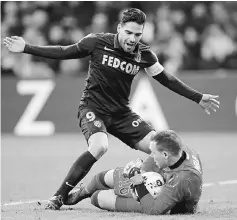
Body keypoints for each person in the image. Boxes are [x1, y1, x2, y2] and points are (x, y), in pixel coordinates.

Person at [3, 8, 218, 210]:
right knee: (99, 146)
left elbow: (167, 80)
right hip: (93, 108)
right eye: (128, 33)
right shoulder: (96, 42)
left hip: (122, 113)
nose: (132, 39)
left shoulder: (145, 55)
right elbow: (63, 52)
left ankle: (179, 196)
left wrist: (197, 97)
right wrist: (27, 48)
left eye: (138, 34)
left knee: (156, 145)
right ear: (118, 28)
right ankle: (59, 196)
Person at [64, 130, 203, 215]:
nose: (152, 156)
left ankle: (90, 195)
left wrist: (137, 180)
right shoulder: (179, 150)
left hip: (168, 205)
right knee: (101, 178)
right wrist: (140, 172)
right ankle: (83, 192)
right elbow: (151, 163)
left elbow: (153, 210)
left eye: (154, 153)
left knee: (98, 198)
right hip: (160, 181)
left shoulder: (182, 180)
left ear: (165, 155)